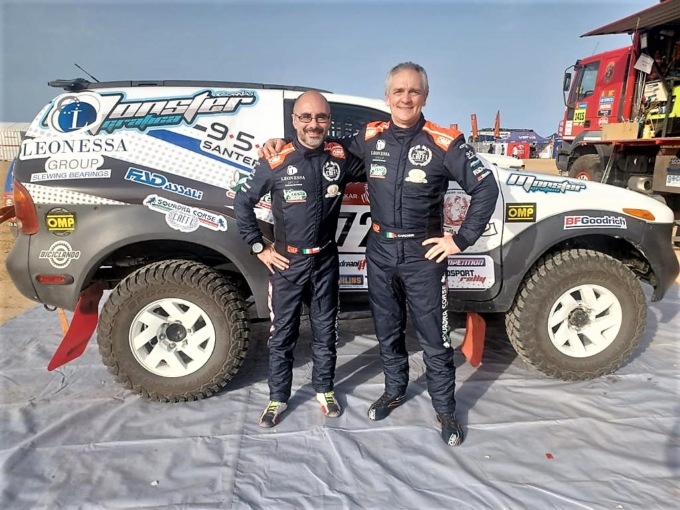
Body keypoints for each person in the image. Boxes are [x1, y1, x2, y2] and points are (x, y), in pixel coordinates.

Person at [262, 62, 499, 446]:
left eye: (414, 91)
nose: (406, 98)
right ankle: (394, 390)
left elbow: (486, 188)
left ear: (425, 97)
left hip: (423, 255)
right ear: (387, 97)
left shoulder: (444, 142)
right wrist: (280, 143)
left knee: (434, 338)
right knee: (387, 331)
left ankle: (445, 410)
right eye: (398, 91)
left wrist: (460, 240)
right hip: (380, 250)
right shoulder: (369, 137)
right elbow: (320, 148)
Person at [234, 91, 365, 428]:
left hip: (325, 261)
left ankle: (324, 388)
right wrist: (259, 247)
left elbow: (381, 162)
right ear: (294, 121)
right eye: (305, 117)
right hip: (287, 264)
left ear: (329, 121)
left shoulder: (340, 157)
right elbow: (242, 202)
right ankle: (278, 397)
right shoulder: (276, 160)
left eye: (321, 117)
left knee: (326, 331)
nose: (313, 124)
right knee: (282, 335)